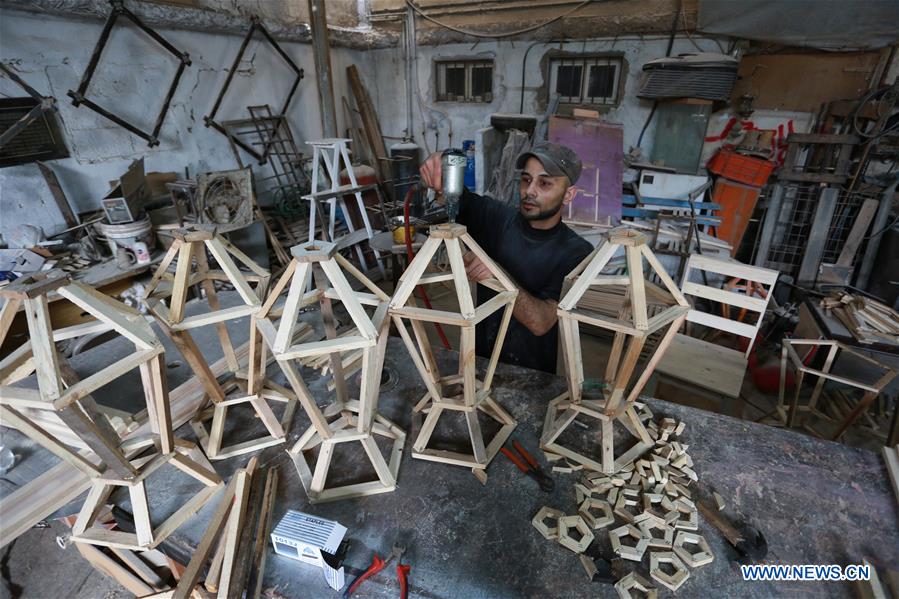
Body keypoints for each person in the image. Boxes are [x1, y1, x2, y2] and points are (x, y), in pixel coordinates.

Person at [419, 142, 593, 373]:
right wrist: (444, 163)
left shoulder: (577, 252)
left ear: (568, 194)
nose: (530, 191)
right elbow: (458, 197)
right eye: (526, 179)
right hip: (478, 364)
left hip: (531, 375)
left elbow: (541, 322)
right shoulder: (496, 218)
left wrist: (497, 274)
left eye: (545, 183)